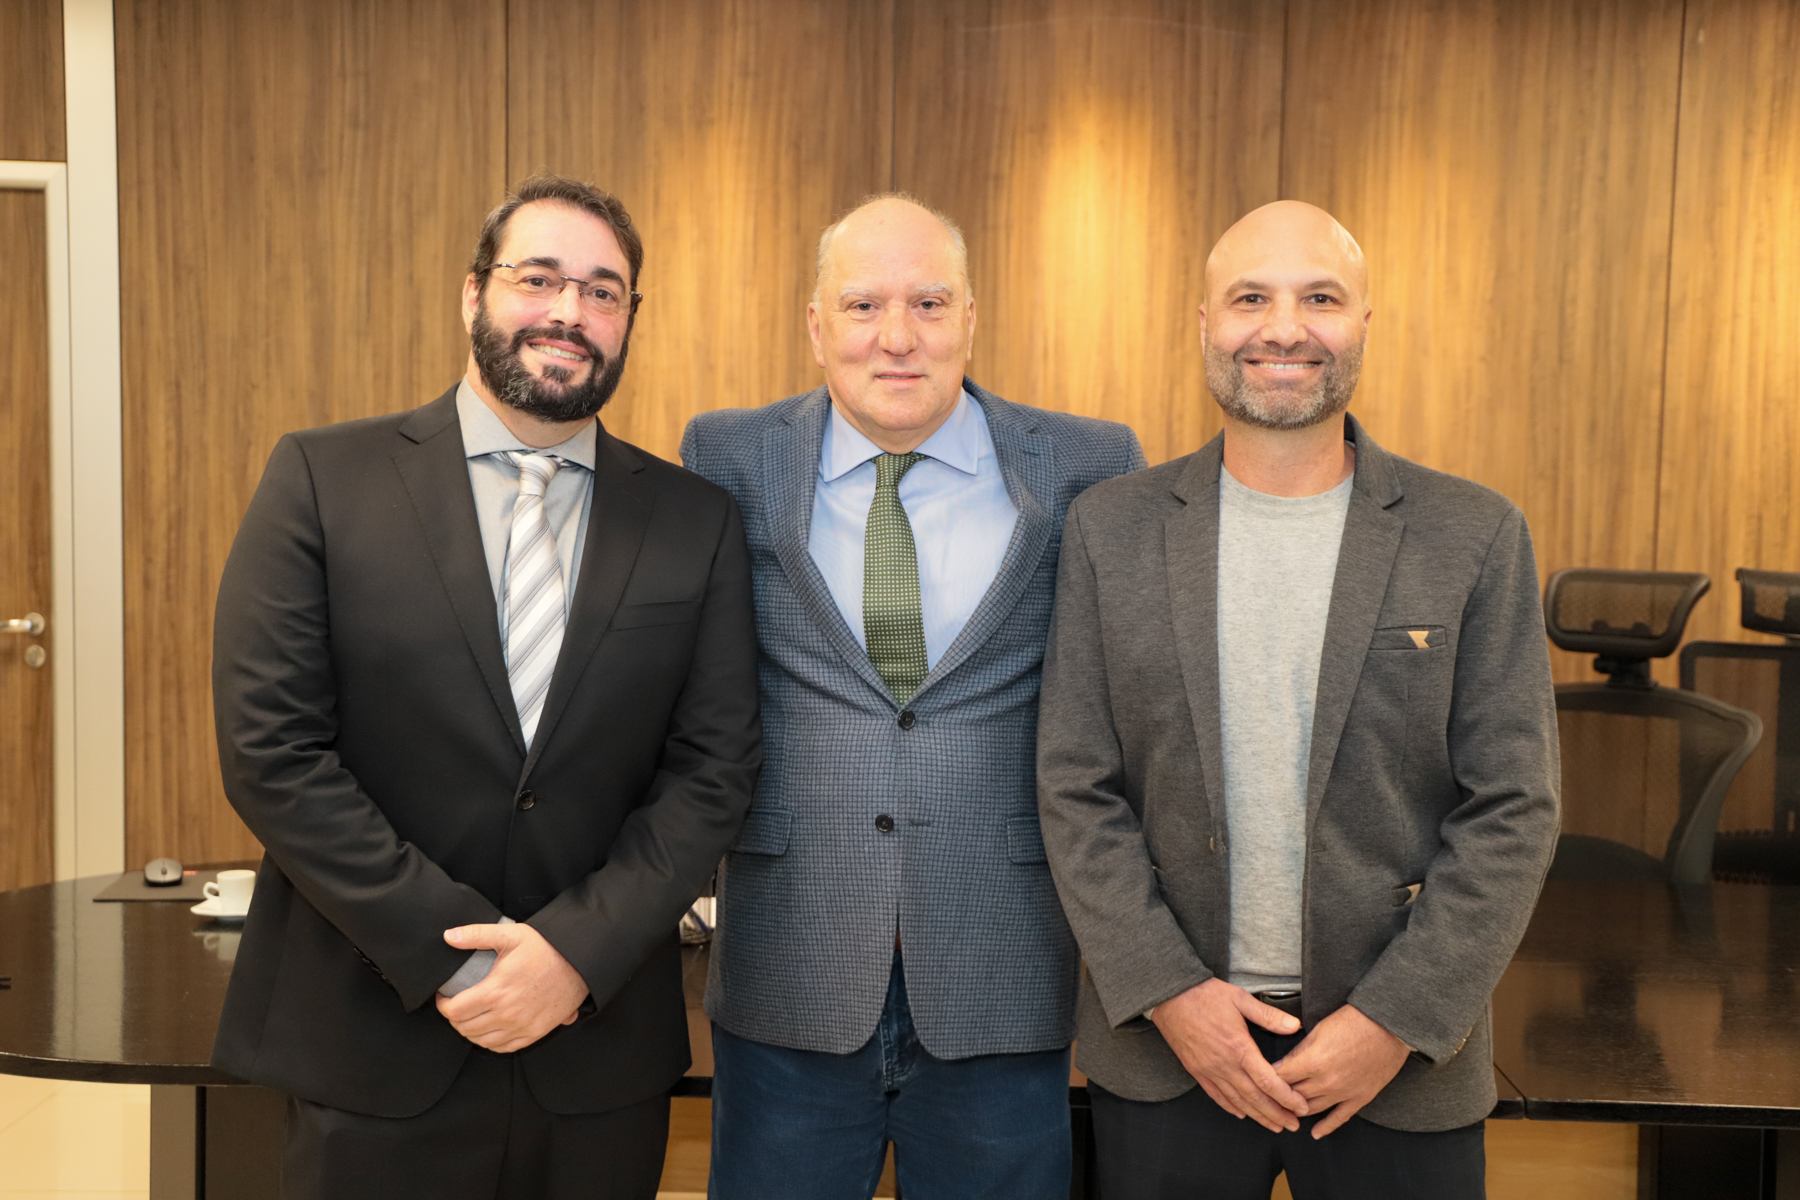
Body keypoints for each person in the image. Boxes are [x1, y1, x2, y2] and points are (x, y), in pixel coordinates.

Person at [210, 175, 762, 1200]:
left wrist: (570, 954)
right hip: (370, 1036)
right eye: (539, 278)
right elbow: (271, 751)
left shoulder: (696, 520)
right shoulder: (324, 480)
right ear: (474, 295)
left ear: (630, 320)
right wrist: (455, 956)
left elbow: (713, 771)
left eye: (604, 292)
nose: (569, 312)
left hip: (595, 1056)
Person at [1037, 200, 1560, 1199]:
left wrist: (1393, 1020)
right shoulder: (1111, 530)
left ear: (1364, 323)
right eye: (1250, 298)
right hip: (1172, 1057)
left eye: (1320, 297)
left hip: (1396, 1068)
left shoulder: (1474, 534)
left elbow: (1514, 807)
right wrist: (1172, 996)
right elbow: (1075, 785)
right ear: (1204, 325)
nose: (1284, 328)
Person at [682, 194, 1145, 1199]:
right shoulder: (726, 460)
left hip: (1002, 964)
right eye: (862, 306)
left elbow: (1124, 716)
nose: (898, 337)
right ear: (815, 325)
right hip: (790, 963)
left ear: (972, 318)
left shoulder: (1087, 467)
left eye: (930, 303)